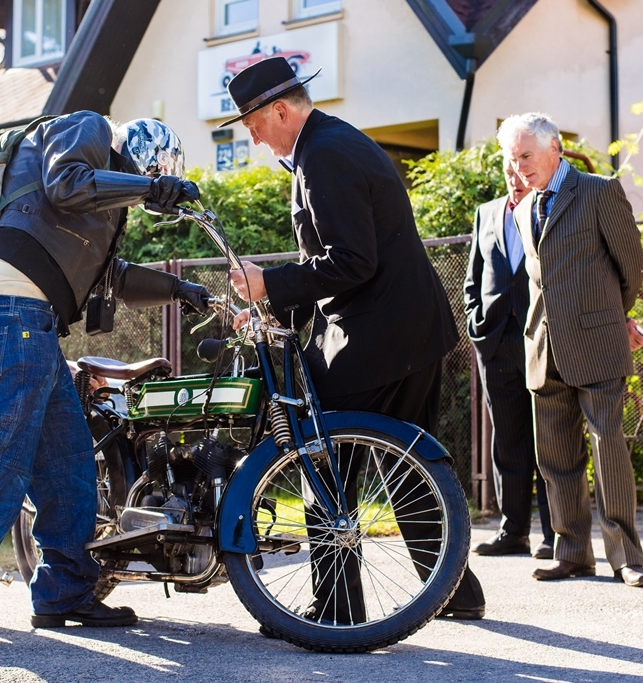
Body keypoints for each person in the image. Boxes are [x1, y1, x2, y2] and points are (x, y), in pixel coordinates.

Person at [0, 113, 210, 647]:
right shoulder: (86, 130)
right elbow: (66, 185)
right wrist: (148, 188)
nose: (147, 182)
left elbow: (110, 276)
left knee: (67, 462)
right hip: (11, 311)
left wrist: (180, 289)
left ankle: (64, 590)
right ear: (136, 148)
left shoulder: (104, 202)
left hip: (32, 321)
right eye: (149, 170)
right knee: (3, 454)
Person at [223, 57, 485, 622]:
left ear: (281, 110)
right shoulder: (330, 146)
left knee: (325, 461)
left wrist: (268, 283)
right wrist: (274, 303)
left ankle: (337, 609)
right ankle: (458, 592)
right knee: (409, 463)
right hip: (406, 331)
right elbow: (333, 260)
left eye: (253, 126)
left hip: (376, 338)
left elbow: (350, 262)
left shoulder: (324, 155)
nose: (253, 138)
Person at [497, 112, 643, 587]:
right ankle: (571, 552)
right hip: (543, 347)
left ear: (555, 150)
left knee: (608, 451)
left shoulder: (599, 191)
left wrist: (614, 316)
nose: (519, 166)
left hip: (598, 343)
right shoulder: (523, 209)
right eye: (512, 157)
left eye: (526, 155)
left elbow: (631, 268)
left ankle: (626, 558)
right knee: (556, 458)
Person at [464, 160, 555, 559]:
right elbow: (474, 278)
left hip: (542, 342)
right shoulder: (486, 212)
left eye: (521, 172)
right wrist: (477, 325)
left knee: (549, 441)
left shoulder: (549, 208)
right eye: (508, 173)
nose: (515, 181)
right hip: (495, 343)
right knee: (508, 440)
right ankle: (513, 531)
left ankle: (557, 535)